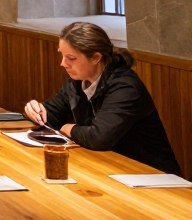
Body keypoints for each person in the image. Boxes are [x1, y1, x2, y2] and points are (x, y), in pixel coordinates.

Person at [23, 21, 180, 174]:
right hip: (110, 167)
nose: (63, 64)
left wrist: (67, 128)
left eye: (70, 58)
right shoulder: (77, 82)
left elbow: (99, 138)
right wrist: (36, 111)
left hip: (149, 174)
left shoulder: (124, 87)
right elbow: (51, 116)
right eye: (62, 55)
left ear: (96, 57)